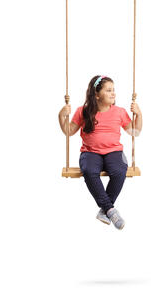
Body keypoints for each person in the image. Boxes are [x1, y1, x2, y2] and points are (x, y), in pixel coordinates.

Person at [58, 75, 142, 230]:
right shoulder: (83, 111)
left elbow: (135, 132)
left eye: (113, 90)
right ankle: (110, 210)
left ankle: (105, 210)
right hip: (90, 152)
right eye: (108, 90)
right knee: (89, 170)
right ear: (97, 95)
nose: (113, 93)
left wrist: (139, 114)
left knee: (119, 170)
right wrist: (61, 116)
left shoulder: (119, 112)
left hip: (114, 152)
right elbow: (69, 131)